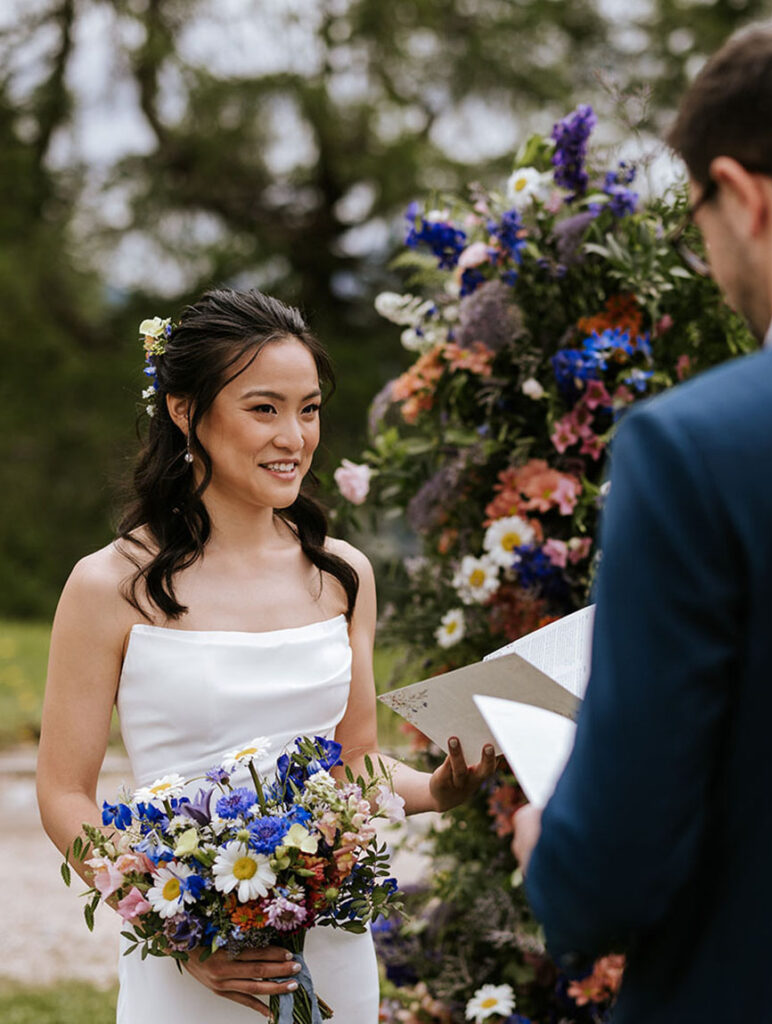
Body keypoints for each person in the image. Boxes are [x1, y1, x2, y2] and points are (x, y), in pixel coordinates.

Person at [512, 18, 772, 1023]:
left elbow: (612, 874)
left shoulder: (704, 447)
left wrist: (555, 846)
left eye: (700, 217)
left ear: (743, 193)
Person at [36, 288, 496, 1023]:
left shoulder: (342, 575)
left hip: (332, 946)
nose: (294, 436)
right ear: (186, 411)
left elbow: (353, 764)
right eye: (264, 408)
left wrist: (437, 791)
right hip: (191, 967)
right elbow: (64, 795)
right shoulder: (108, 584)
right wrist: (175, 932)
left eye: (308, 408)